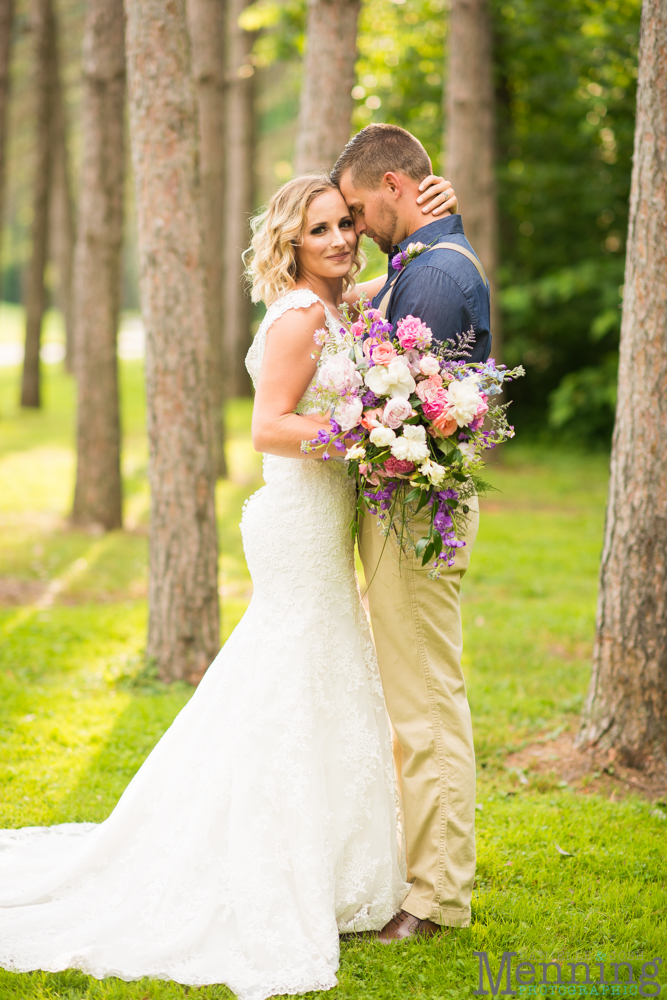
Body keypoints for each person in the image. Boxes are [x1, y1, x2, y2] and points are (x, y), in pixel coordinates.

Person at [0, 172, 456, 1000]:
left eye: (345, 225)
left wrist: (429, 223)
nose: (338, 240)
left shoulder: (331, 304)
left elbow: (389, 280)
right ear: (290, 243)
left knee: (316, 674)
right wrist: (366, 432)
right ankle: (254, 858)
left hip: (317, 518)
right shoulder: (300, 316)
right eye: (318, 230)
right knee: (291, 672)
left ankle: (327, 859)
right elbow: (267, 428)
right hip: (298, 521)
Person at [332, 122, 492, 941]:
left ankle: (435, 899)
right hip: (404, 509)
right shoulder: (422, 266)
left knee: (425, 704)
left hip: (411, 514)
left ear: (395, 187)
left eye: (357, 210)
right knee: (417, 700)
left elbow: (401, 407)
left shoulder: (432, 279)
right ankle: (426, 872)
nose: (352, 230)